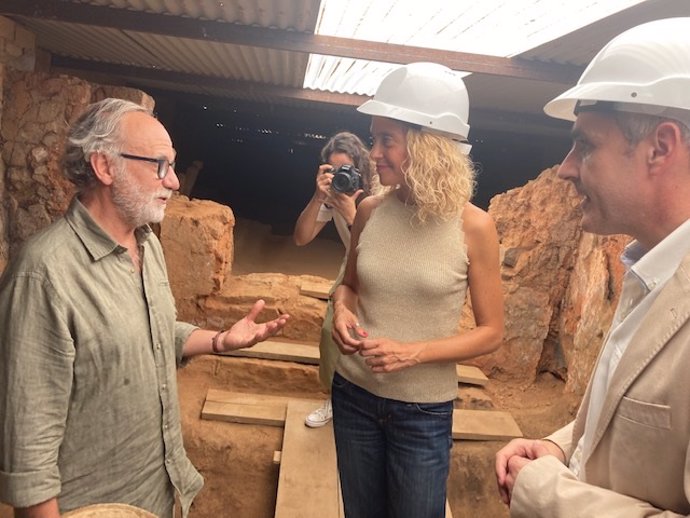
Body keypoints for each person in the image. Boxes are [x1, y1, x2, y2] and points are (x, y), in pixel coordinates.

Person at [0, 98, 289, 518]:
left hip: (159, 491)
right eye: (159, 164)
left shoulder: (147, 245)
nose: (173, 181)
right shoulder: (43, 274)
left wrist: (220, 340)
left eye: (172, 165)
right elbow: (29, 447)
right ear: (104, 166)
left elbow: (155, 333)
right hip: (93, 506)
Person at [494, 17, 690, 517]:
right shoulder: (652, 269)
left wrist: (546, 493)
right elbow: (634, 423)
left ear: (660, 148)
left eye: (585, 144)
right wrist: (562, 448)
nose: (565, 167)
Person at [330, 62, 504, 518]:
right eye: (375, 139)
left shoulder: (474, 226)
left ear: (428, 147)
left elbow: (491, 332)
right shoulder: (369, 210)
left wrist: (414, 353)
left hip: (422, 414)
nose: (374, 153)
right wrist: (342, 311)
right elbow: (348, 287)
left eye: (387, 139)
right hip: (353, 395)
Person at [293, 131, 380, 428]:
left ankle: (371, 402)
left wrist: (352, 214)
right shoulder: (333, 194)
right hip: (352, 261)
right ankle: (335, 397)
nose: (343, 176)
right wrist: (319, 196)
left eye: (348, 169)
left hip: (385, 261)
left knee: (375, 332)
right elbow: (302, 238)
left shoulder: (382, 190)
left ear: (362, 167)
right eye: (334, 170)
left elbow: (380, 250)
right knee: (333, 328)